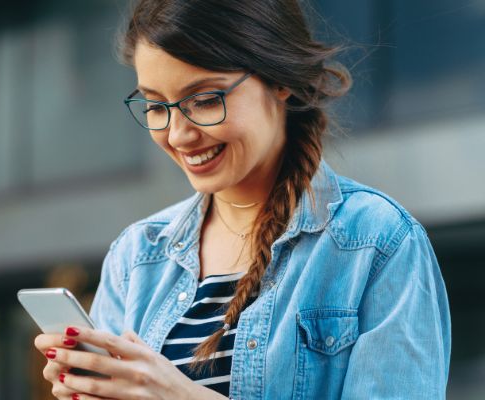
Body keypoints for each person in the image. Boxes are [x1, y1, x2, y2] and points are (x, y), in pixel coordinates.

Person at [33, 0, 452, 398]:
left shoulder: (376, 242)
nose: (178, 135)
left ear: (280, 80)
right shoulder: (137, 256)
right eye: (157, 106)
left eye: (205, 99)